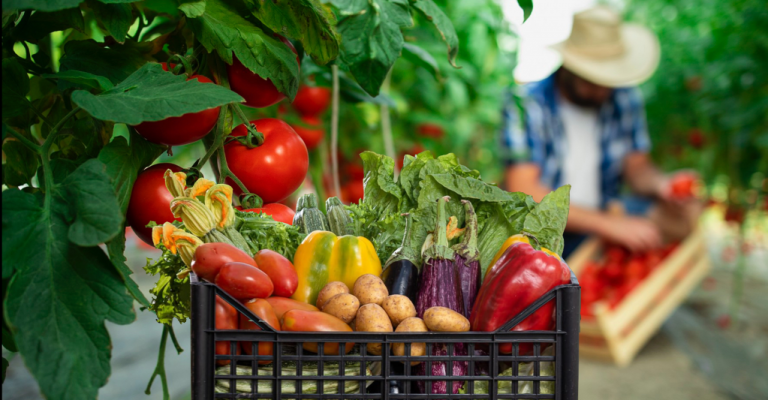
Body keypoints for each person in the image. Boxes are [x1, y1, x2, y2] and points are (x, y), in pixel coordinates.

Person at [501, 6, 696, 258]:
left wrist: (662, 184)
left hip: (607, 211)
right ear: (570, 67)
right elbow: (524, 189)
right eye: (593, 79)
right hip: (548, 230)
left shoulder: (623, 98)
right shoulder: (526, 103)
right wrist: (609, 224)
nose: (603, 89)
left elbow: (637, 168)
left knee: (687, 214)